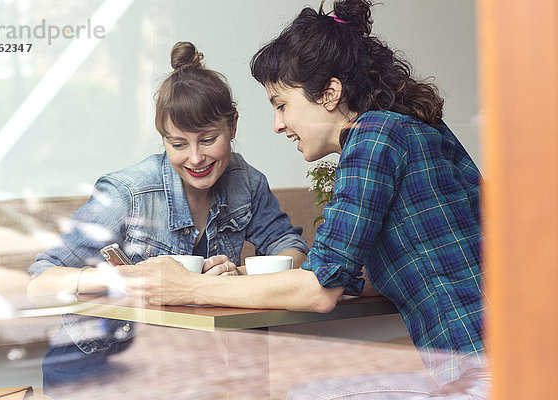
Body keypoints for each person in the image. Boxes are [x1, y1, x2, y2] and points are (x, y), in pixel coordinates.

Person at [124, 1, 489, 398]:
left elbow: (319, 290)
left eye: (281, 104)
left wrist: (186, 289)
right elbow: (378, 265)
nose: (278, 124)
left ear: (330, 93)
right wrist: (243, 278)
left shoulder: (374, 139)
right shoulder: (408, 130)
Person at [26, 41, 309, 393]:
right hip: (90, 371)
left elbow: (292, 248)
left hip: (175, 371)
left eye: (208, 139)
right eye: (178, 145)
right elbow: (39, 281)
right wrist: (121, 283)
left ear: (232, 126)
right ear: (163, 139)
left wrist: (239, 275)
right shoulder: (128, 193)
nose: (195, 158)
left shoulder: (246, 183)